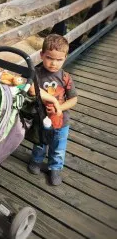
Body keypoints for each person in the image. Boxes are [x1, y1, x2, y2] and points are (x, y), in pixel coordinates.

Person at [28, 34, 78, 186]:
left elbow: (73, 99)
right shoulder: (36, 73)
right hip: (40, 117)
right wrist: (52, 100)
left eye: (59, 60)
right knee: (39, 143)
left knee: (58, 147)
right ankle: (36, 161)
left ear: (65, 58)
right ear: (41, 55)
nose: (53, 63)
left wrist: (59, 107)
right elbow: (31, 90)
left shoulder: (65, 77)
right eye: (49, 58)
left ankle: (55, 168)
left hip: (61, 121)